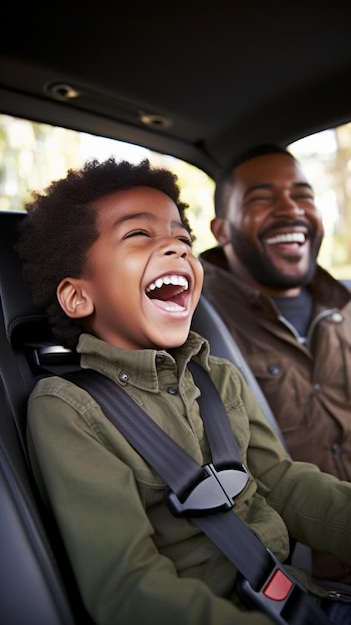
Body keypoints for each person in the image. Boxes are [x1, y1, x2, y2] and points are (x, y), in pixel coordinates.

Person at [16, 156, 351, 625]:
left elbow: (285, 484)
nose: (176, 249)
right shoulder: (69, 410)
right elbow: (129, 588)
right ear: (77, 296)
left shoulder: (219, 377)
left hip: (307, 596)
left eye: (183, 239)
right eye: (139, 235)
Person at [199, 144, 351, 585]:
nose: (291, 209)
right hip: (303, 579)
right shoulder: (190, 323)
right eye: (262, 198)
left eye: (303, 194)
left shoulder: (343, 304)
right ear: (222, 230)